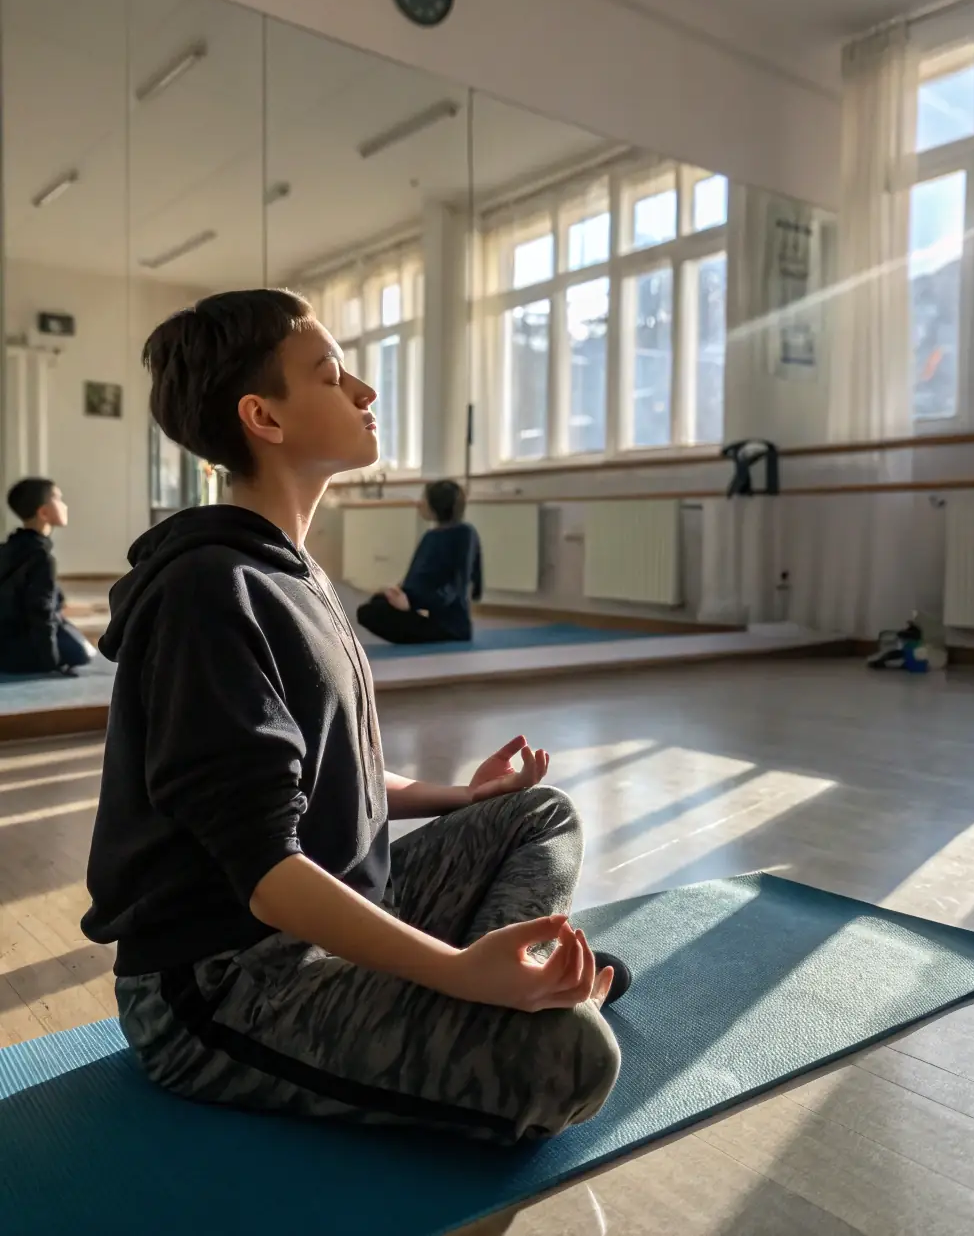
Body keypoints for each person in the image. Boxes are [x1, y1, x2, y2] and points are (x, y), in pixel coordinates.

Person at [81, 289, 625, 1144]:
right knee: (573, 1062)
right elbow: (264, 867)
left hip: (330, 909)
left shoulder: (292, 573)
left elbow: (326, 774)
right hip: (224, 979)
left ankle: (497, 985)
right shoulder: (207, 592)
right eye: (333, 376)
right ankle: (494, 995)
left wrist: (458, 796)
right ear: (262, 416)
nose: (366, 391)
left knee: (536, 813)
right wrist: (452, 971)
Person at [356, 479, 481, 645]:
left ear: (437, 505)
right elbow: (416, 576)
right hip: (423, 607)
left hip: (450, 626)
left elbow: (456, 587)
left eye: (424, 499)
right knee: (376, 603)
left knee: (370, 613)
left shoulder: (464, 534)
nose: (419, 503)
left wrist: (410, 604)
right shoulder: (431, 536)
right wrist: (397, 592)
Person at [0, 477, 95, 675]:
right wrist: (51, 663)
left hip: (4, 641)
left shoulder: (8, 549)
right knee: (83, 653)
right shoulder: (41, 557)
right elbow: (41, 612)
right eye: (59, 499)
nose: (65, 505)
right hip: (22, 646)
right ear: (43, 512)